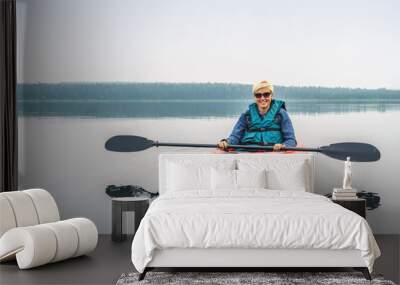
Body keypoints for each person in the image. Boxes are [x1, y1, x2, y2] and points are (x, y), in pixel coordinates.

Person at [218, 80, 297, 151]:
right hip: (248, 154)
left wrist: (284, 145)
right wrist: (226, 142)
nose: (262, 98)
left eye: (266, 94)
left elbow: (291, 140)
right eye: (258, 95)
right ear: (254, 97)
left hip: (273, 155)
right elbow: (235, 137)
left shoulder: (281, 114)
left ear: (271, 95)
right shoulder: (246, 116)